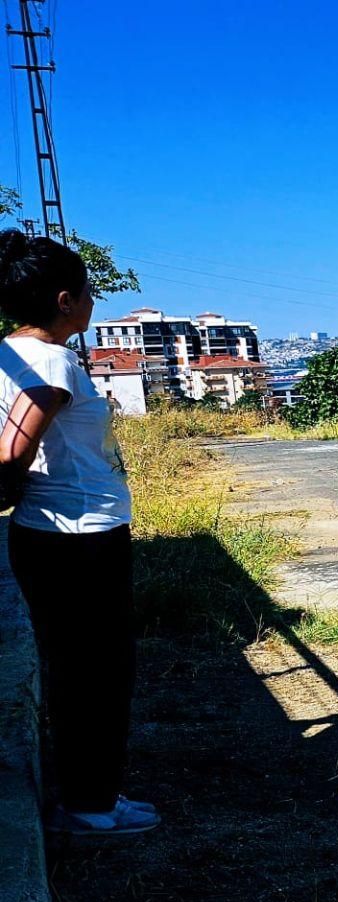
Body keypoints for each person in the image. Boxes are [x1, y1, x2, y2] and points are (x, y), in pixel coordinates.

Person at [0, 229, 156, 836]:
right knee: (99, 671)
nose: (94, 302)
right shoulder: (52, 361)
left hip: (48, 534)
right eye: (88, 292)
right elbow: (14, 449)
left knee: (74, 667)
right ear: (65, 300)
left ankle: (88, 795)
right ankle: (92, 806)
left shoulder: (7, 352)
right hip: (79, 538)